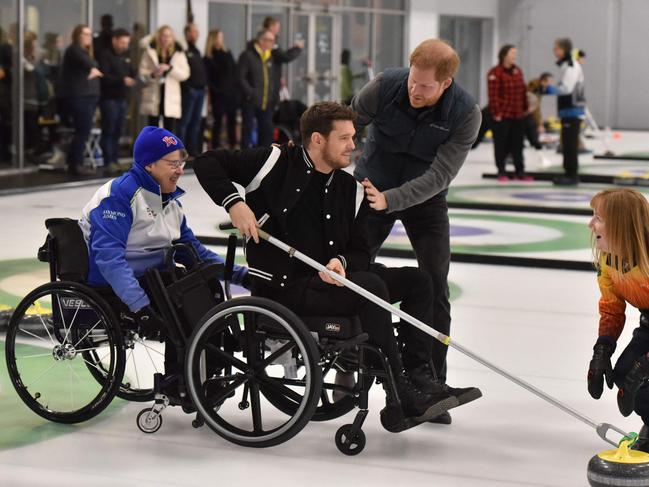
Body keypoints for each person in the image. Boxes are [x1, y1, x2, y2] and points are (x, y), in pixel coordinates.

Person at [192, 101, 481, 432]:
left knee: (419, 281)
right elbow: (206, 161)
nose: (353, 146)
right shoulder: (272, 162)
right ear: (317, 140)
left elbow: (360, 250)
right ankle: (399, 394)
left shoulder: (350, 189)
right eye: (344, 138)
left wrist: (341, 262)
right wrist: (235, 203)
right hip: (285, 287)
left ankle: (420, 376)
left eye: (353, 137)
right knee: (372, 288)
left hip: (329, 283)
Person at [351, 39, 481, 425]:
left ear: (446, 83)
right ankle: (346, 361)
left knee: (436, 285)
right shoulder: (385, 86)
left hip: (424, 199)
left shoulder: (465, 114)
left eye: (424, 87)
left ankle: (432, 386)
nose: (414, 90)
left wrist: (391, 200)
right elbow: (347, 123)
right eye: (412, 81)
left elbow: (439, 175)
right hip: (371, 187)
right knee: (351, 269)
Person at [79, 126, 248, 371]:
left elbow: (195, 254)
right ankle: (182, 381)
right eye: (172, 163)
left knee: (205, 288)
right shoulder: (119, 196)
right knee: (183, 302)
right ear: (149, 165)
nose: (180, 170)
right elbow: (109, 258)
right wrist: (139, 305)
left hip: (153, 276)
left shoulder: (169, 202)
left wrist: (240, 275)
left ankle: (206, 373)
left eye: (181, 162)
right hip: (111, 280)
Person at [586, 188, 649, 452]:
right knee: (625, 374)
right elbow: (612, 308)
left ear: (620, 224)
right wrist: (603, 348)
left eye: (598, 217)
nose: (591, 224)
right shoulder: (610, 260)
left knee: (641, 373)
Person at [58, 24, 102, 175]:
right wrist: (93, 69)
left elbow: (91, 66)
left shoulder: (85, 52)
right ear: (77, 35)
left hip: (87, 97)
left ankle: (74, 162)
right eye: (85, 34)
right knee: (82, 130)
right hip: (79, 97)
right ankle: (75, 164)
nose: (88, 37)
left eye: (90, 34)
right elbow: (90, 64)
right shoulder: (74, 50)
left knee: (84, 130)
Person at [545, 37, 585, 186]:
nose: (554, 51)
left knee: (569, 144)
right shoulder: (566, 66)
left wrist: (548, 89)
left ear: (563, 49)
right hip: (568, 111)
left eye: (556, 48)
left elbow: (566, 89)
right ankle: (569, 173)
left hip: (572, 111)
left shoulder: (571, 66)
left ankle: (571, 175)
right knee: (567, 143)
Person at [487, 44, 530, 182]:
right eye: (512, 53)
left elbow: (523, 90)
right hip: (502, 115)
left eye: (515, 53)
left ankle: (520, 171)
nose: (514, 56)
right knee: (501, 144)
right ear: (504, 55)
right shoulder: (495, 73)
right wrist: (496, 113)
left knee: (518, 144)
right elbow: (493, 95)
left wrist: (525, 108)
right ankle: (501, 171)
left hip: (517, 114)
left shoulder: (518, 71)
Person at [97, 28, 136, 172]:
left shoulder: (126, 55)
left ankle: (115, 159)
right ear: (114, 40)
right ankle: (108, 161)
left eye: (126, 43)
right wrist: (122, 80)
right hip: (109, 99)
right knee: (109, 130)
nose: (124, 46)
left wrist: (134, 78)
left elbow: (132, 72)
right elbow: (104, 77)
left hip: (122, 99)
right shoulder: (105, 55)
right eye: (122, 42)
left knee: (118, 131)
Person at [138, 25, 189, 133]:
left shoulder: (178, 53)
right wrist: (153, 73)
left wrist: (170, 69)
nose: (165, 39)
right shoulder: (150, 51)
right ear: (158, 37)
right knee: (153, 128)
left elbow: (185, 74)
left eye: (168, 36)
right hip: (154, 94)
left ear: (172, 38)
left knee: (170, 130)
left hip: (171, 96)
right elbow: (142, 72)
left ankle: (168, 150)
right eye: (163, 36)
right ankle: (154, 149)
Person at [204, 29, 238, 149]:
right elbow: (209, 78)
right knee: (217, 121)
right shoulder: (208, 57)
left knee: (232, 120)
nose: (221, 39)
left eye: (221, 37)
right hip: (218, 94)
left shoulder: (227, 53)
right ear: (213, 39)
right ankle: (215, 146)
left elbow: (234, 71)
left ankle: (233, 145)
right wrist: (216, 90)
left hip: (231, 92)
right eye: (218, 37)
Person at [177, 23, 207, 157]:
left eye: (197, 32)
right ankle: (180, 150)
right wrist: (188, 87)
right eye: (193, 32)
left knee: (195, 122)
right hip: (190, 91)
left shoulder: (196, 50)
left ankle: (192, 149)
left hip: (200, 91)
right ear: (187, 33)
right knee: (184, 122)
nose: (196, 34)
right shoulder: (182, 49)